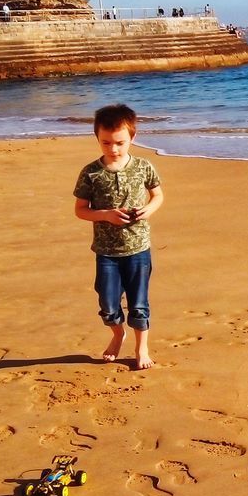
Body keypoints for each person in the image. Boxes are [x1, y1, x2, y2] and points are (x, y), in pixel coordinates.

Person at [73, 104, 164, 369]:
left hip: (138, 249)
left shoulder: (143, 167)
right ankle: (117, 334)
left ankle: (141, 348)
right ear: (97, 139)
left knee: (139, 303)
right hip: (106, 253)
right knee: (108, 305)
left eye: (120, 143)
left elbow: (158, 195)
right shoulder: (91, 173)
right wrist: (106, 215)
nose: (113, 149)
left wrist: (149, 208)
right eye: (106, 143)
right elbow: (80, 210)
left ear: (132, 138)